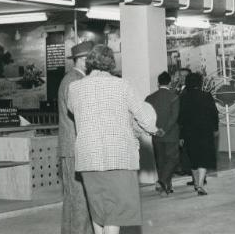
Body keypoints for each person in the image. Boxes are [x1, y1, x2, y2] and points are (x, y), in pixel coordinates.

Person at [68, 45, 164, 234]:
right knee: (116, 211)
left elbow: (73, 111)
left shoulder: (74, 88)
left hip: (88, 157)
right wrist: (154, 129)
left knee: (98, 209)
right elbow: (142, 115)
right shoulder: (122, 85)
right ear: (111, 64)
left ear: (89, 63)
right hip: (118, 156)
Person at [58, 41, 95, 234]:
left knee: (74, 199)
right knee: (79, 199)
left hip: (72, 147)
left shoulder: (71, 79)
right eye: (91, 59)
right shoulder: (75, 81)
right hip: (75, 148)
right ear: (82, 60)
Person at [178, 72, 218, 196]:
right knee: (203, 159)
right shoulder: (207, 96)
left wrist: (181, 136)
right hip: (205, 132)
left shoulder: (183, 98)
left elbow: (181, 119)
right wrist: (215, 128)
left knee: (193, 159)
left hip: (189, 133)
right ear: (200, 83)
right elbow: (214, 113)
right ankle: (200, 184)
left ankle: (195, 183)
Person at [145, 71, 180, 196]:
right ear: (170, 82)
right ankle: (162, 182)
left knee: (161, 161)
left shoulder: (149, 98)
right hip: (170, 134)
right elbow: (174, 117)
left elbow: (147, 117)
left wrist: (156, 129)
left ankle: (167, 187)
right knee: (173, 159)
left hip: (156, 134)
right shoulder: (174, 96)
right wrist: (165, 129)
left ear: (158, 83)